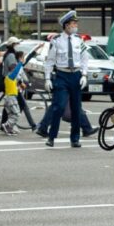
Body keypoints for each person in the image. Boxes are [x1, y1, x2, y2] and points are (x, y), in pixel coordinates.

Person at [42, 10, 89, 148]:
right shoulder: (56, 40)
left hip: (76, 75)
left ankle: (75, 139)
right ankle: (51, 137)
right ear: (66, 25)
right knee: (59, 107)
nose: (76, 26)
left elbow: (84, 59)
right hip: (62, 75)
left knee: (76, 108)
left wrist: (84, 75)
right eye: (74, 23)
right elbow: (50, 61)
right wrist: (47, 79)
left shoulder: (79, 40)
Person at [0, 41, 27, 135]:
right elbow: (15, 71)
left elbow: (17, 77)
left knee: (11, 115)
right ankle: (6, 125)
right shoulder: (10, 77)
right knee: (16, 114)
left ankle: (9, 128)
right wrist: (20, 63)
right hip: (11, 98)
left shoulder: (10, 78)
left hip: (9, 98)